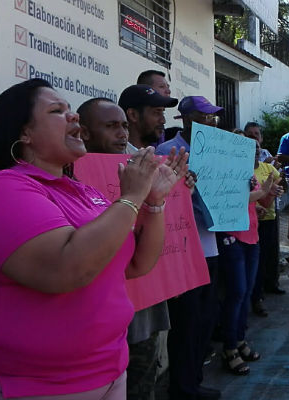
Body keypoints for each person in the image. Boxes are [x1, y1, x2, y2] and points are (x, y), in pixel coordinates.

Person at [0, 78, 188, 399]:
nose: (73, 116)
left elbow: (136, 263)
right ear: (24, 133)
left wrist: (154, 201)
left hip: (107, 371)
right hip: (29, 384)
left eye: (70, 109)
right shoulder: (1, 189)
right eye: (57, 110)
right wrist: (132, 197)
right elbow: (65, 268)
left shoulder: (83, 191)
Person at [156, 95, 223, 399]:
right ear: (186, 118)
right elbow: (163, 201)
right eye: (203, 115)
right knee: (186, 323)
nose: (210, 120)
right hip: (183, 250)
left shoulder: (217, 151)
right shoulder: (167, 152)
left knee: (205, 320)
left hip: (211, 246)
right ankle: (182, 388)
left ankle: (193, 381)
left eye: (212, 116)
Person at [117, 84, 181, 400]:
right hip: (120, 310)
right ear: (133, 115)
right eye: (156, 112)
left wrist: (181, 194)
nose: (162, 120)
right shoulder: (99, 167)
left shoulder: (160, 163)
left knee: (145, 382)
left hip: (152, 298)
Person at [217, 140, 278, 375]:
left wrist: (268, 194)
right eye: (249, 150)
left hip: (252, 238)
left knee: (246, 293)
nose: (255, 153)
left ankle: (239, 339)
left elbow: (260, 201)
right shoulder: (223, 173)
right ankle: (229, 348)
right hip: (232, 238)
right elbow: (227, 200)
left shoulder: (250, 176)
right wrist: (261, 193)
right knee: (237, 293)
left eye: (256, 149)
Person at [245, 125, 284, 318]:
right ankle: (255, 298)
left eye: (257, 140)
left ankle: (267, 288)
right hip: (251, 222)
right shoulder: (243, 170)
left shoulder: (268, 167)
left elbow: (279, 181)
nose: (256, 149)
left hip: (269, 219)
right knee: (255, 263)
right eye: (250, 138)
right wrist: (266, 193)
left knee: (268, 256)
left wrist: (275, 188)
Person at [119, 84, 178, 153]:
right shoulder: (114, 157)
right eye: (156, 113)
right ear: (133, 115)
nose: (163, 121)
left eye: (163, 113)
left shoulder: (163, 156)